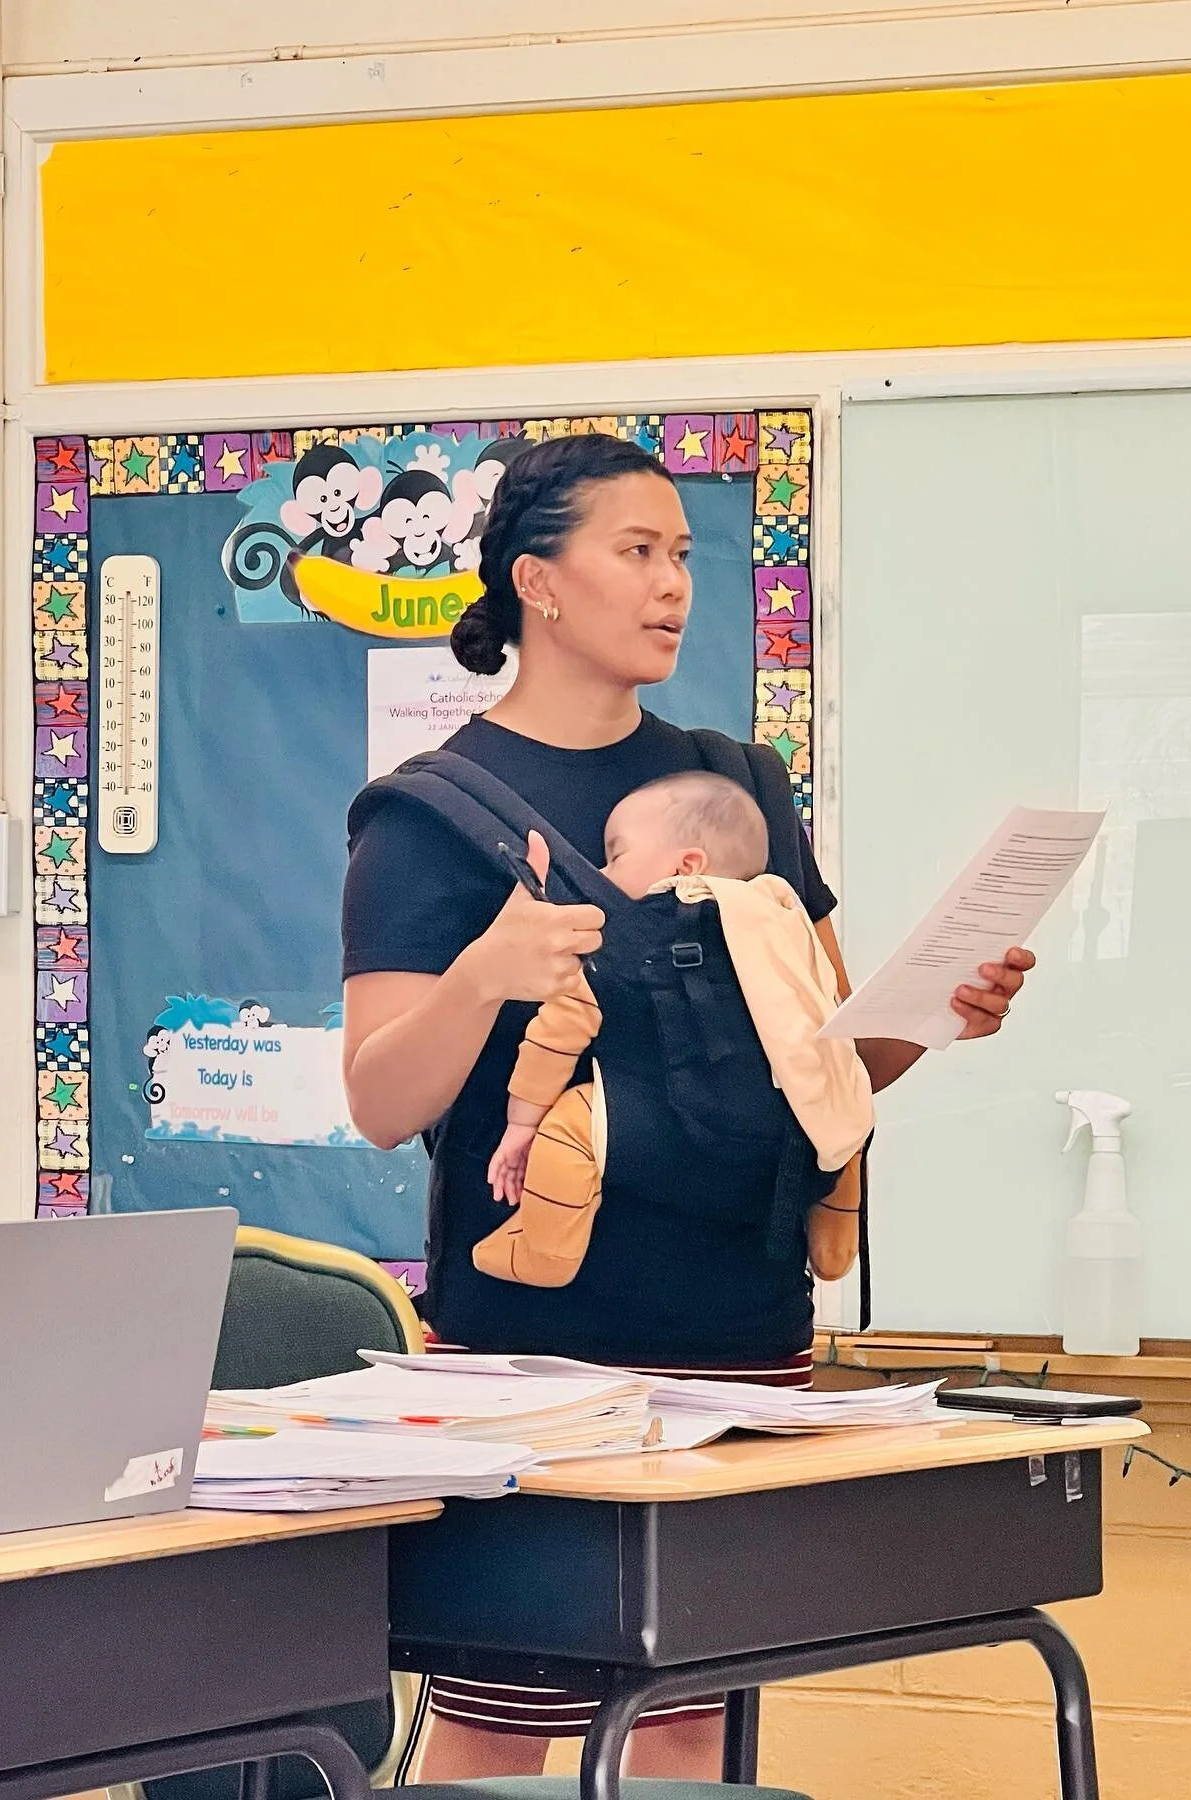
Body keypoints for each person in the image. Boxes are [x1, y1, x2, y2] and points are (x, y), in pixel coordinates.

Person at [340, 432, 1034, 1780]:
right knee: (505, 1718)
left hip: (744, 1337)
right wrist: (483, 974)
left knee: (683, 1719)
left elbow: (820, 1061)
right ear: (538, 583)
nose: (672, 586)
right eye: (637, 552)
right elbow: (379, 1100)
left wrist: (940, 1016)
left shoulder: (739, 783)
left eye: (683, 556)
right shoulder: (427, 816)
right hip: (536, 1366)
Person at [476, 769, 874, 1288]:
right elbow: (836, 1028)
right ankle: (833, 1240)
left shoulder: (630, 931)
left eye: (615, 856)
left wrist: (522, 1124)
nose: (602, 872)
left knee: (570, 1129)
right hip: (790, 1139)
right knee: (847, 1107)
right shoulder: (785, 922)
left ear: (688, 866)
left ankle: (544, 1252)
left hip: (675, 1134)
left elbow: (558, 1029)